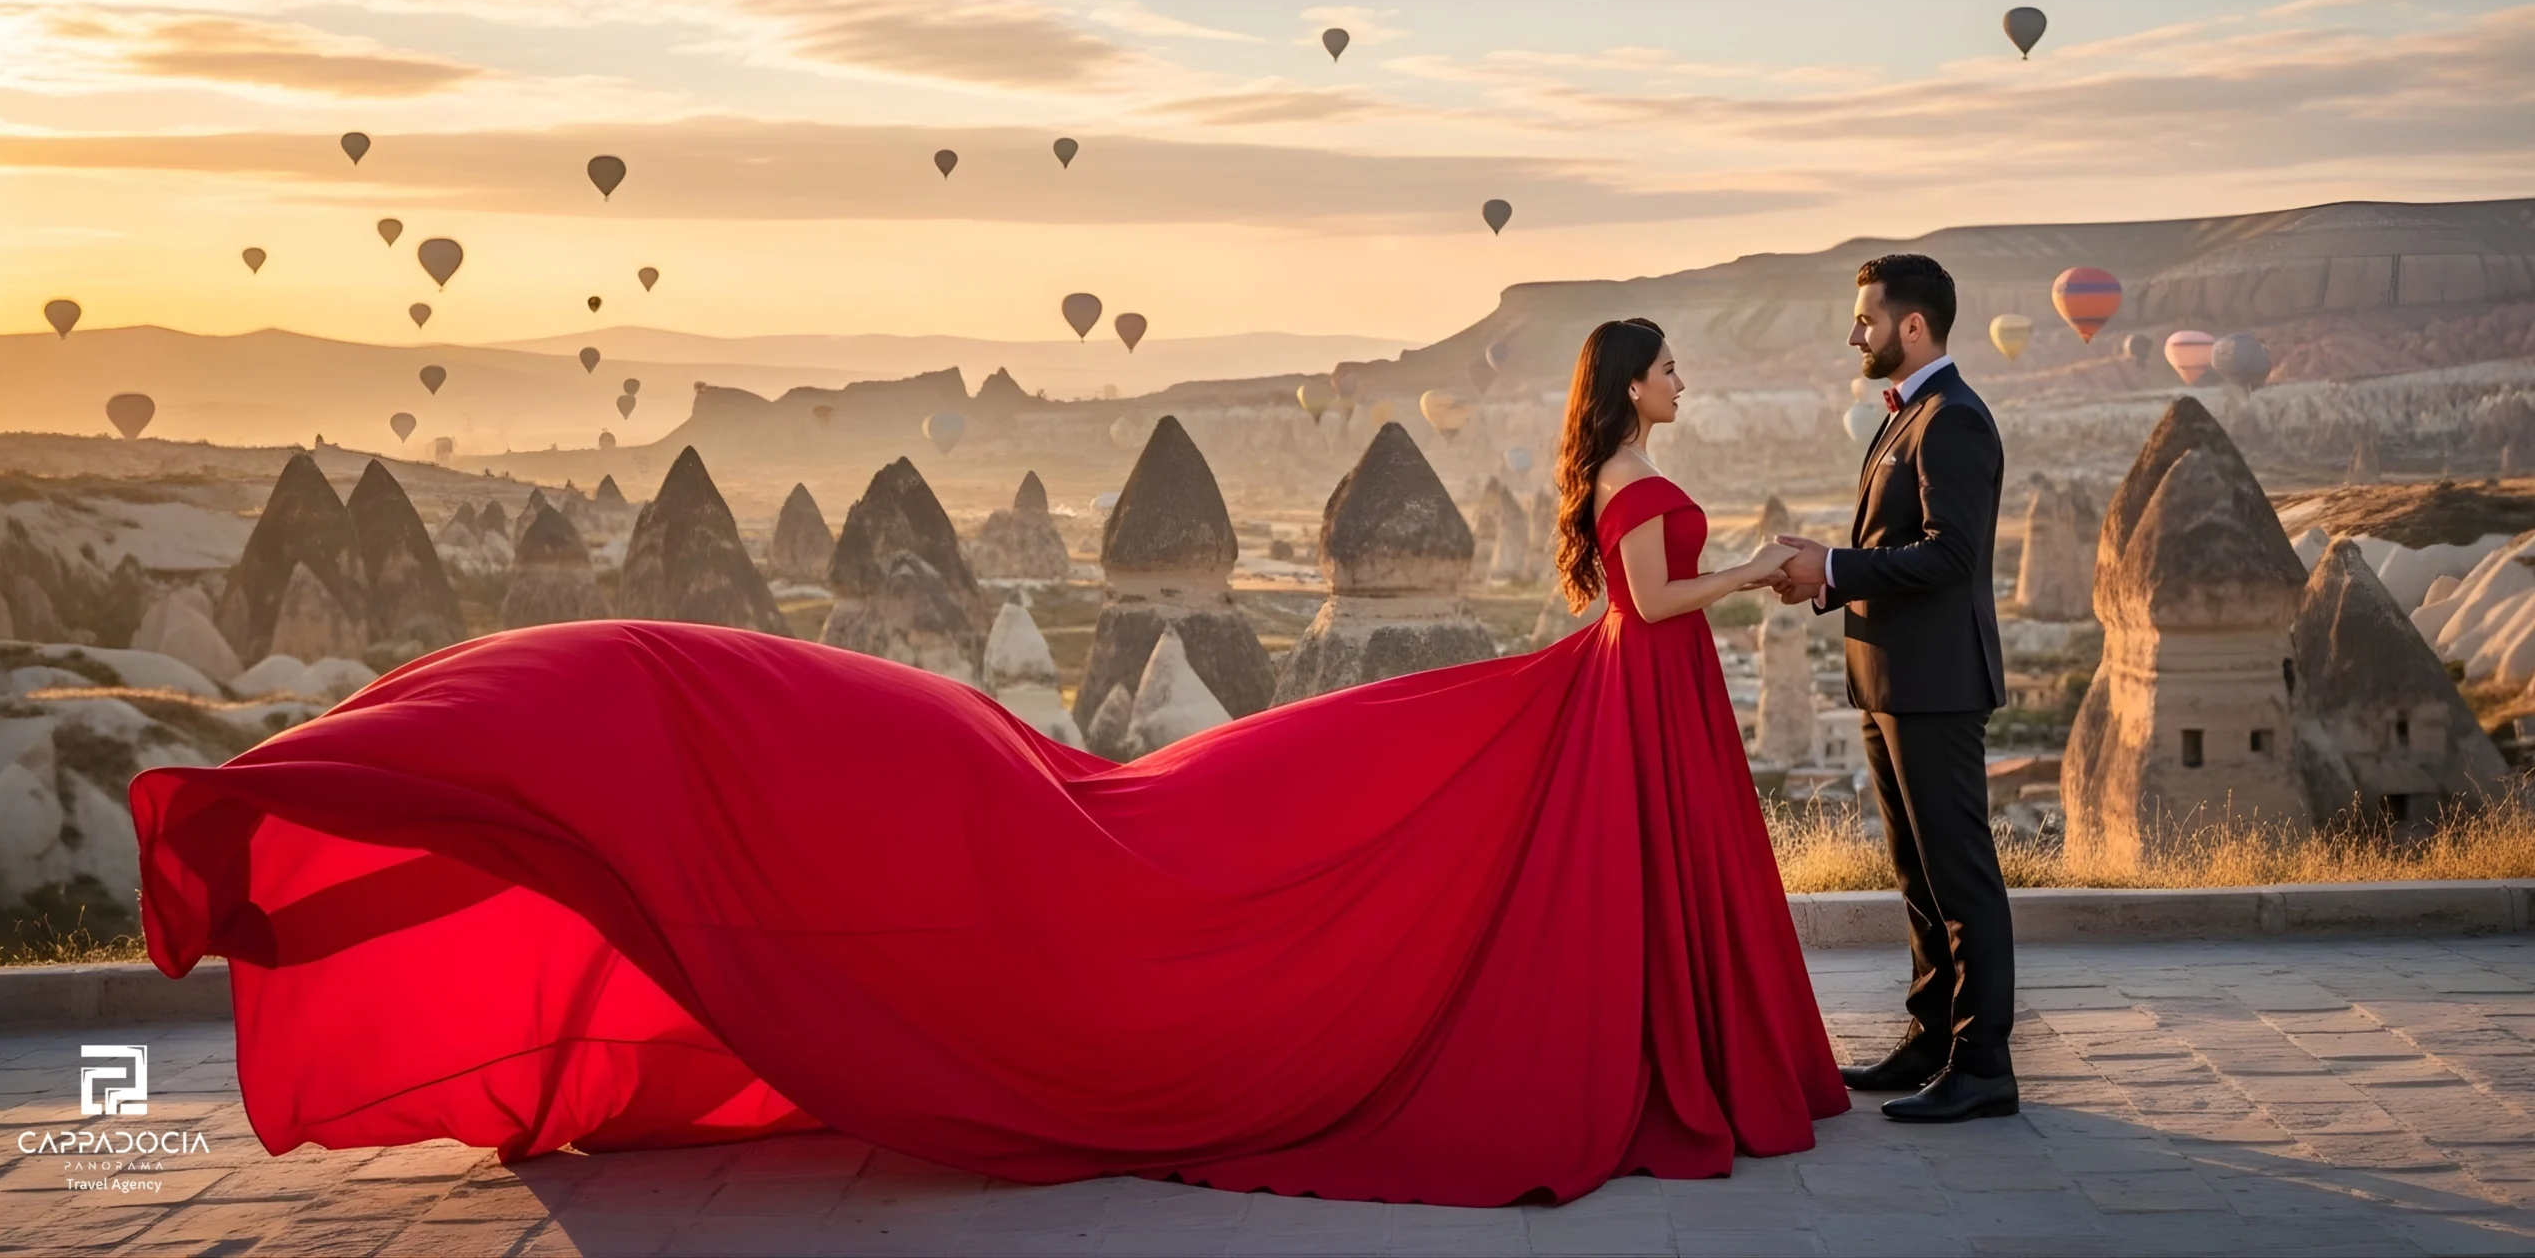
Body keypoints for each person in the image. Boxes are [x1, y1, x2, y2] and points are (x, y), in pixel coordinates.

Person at [130, 317, 1847, 1210]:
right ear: (1629, 380)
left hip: (1624, 707)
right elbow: (1646, 600)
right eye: (1673, 361)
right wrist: (1763, 570)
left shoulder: (1618, 468)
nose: (1687, 377)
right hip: (1635, 695)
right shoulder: (1635, 484)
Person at [1768, 253, 2016, 1124]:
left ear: (1914, 326)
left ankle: (1983, 1064)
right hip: (1888, 678)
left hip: (1935, 685)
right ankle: (1932, 1037)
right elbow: (1896, 545)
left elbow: (1950, 556)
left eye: (1866, 320)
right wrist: (1827, 572)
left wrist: (1832, 564)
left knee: (1959, 876)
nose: (1854, 334)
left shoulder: (1952, 420)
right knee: (1916, 874)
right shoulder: (1909, 416)